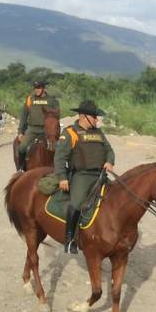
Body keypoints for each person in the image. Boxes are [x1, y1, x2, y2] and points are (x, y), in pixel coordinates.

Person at [54, 100, 115, 254]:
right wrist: (62, 177)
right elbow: (59, 157)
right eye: (94, 116)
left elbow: (109, 150)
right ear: (83, 116)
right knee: (76, 204)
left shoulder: (99, 133)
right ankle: (69, 240)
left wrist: (109, 161)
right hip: (82, 175)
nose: (97, 119)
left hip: (100, 175)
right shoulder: (70, 133)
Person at [17, 80, 59, 171]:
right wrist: (20, 132)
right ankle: (21, 169)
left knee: (59, 148)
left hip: (48, 130)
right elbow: (24, 116)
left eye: (39, 88)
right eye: (35, 88)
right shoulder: (30, 99)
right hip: (33, 129)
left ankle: (60, 170)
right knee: (22, 147)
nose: (36, 90)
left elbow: (56, 117)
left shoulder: (52, 100)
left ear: (43, 88)